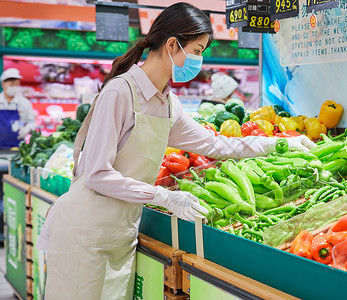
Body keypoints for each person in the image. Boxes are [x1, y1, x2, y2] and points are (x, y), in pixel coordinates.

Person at [38, 3, 315, 299]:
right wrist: (163, 195)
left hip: (121, 233)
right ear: (172, 45)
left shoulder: (168, 104)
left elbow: (216, 144)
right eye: (196, 50)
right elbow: (96, 173)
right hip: (84, 232)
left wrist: (281, 143)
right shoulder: (120, 92)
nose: (200, 59)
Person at [0, 68, 36, 148]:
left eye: (16, 84)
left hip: (18, 146)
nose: (14, 87)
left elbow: (32, 122)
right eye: (11, 84)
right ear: (3, 84)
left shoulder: (24, 103)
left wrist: (27, 129)